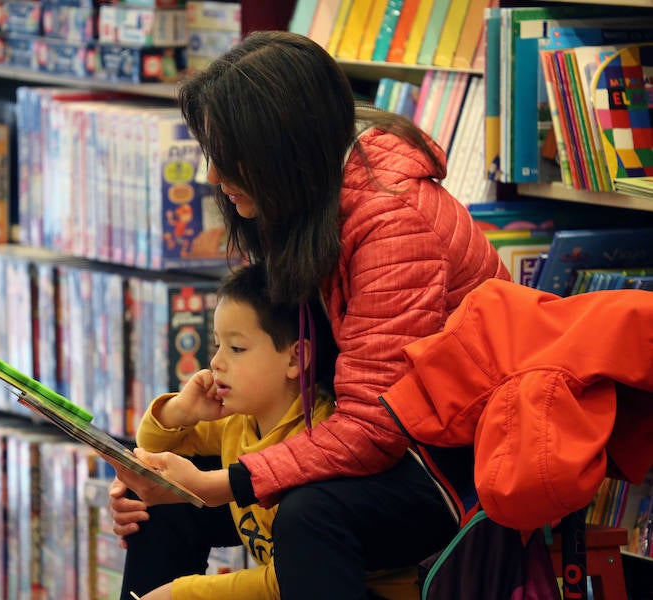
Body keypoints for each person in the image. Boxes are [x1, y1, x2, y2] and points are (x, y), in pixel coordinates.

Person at [108, 30, 511, 599]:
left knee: (306, 515)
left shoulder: (394, 222)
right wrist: (163, 472)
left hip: (451, 468)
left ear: (280, 149)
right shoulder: (304, 201)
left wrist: (223, 482)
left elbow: (376, 430)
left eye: (227, 157)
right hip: (342, 433)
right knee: (159, 503)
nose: (212, 178)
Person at [123, 262, 335, 600]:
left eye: (236, 349)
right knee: (151, 495)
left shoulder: (319, 440)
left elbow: (294, 580)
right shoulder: (239, 419)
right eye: (217, 344)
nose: (217, 362)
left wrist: (178, 594)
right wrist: (182, 410)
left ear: (296, 359)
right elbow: (154, 445)